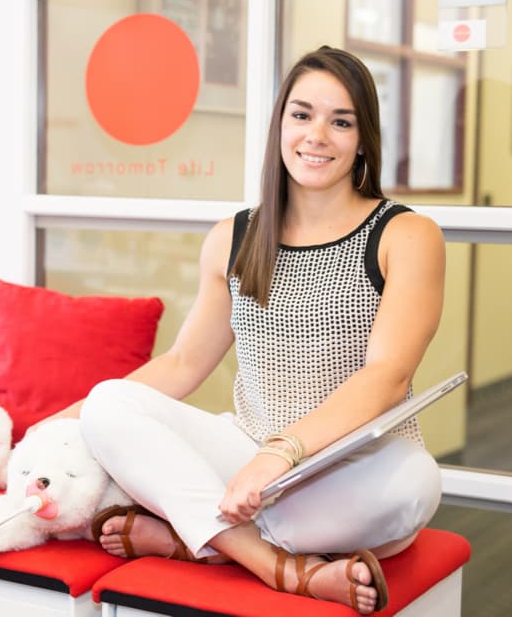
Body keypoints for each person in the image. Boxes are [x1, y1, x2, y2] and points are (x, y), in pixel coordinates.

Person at [32, 45, 446, 614]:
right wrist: (45, 429)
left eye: (340, 121)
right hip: (245, 455)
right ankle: (277, 566)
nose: (316, 135)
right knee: (108, 405)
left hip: (345, 470)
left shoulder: (408, 235)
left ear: (363, 139)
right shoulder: (234, 235)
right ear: (280, 124)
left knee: (416, 485)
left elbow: (388, 376)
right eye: (301, 114)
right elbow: (182, 364)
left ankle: (195, 539)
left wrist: (280, 455)